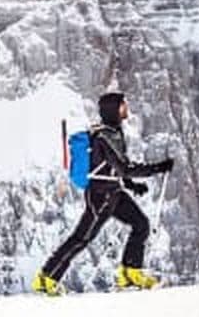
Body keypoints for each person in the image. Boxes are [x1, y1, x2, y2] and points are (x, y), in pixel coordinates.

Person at [32, 92, 174, 295]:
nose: (126, 109)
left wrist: (131, 185)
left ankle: (130, 273)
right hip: (100, 197)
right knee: (81, 239)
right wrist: (158, 168)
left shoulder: (113, 132)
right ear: (112, 109)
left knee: (141, 224)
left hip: (113, 192)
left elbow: (112, 167)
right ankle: (46, 278)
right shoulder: (104, 137)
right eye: (123, 105)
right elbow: (124, 167)